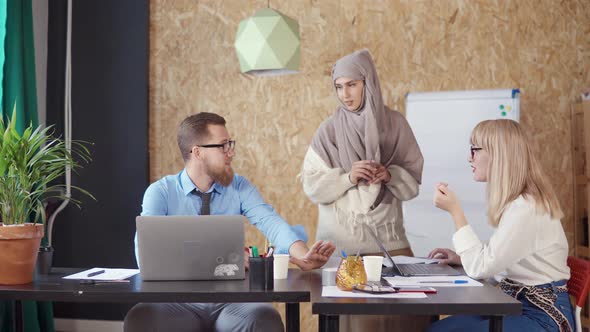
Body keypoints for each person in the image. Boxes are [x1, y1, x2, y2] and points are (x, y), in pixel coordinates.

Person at [124, 112, 335, 332]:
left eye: (230, 144)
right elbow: (146, 254)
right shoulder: (161, 192)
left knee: (263, 318)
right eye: (223, 146)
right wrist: (216, 258)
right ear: (197, 152)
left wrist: (303, 254)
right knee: (140, 318)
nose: (231, 152)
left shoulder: (239, 187)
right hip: (176, 302)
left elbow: (270, 222)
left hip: (234, 302)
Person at [300, 49, 427, 331]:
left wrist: (390, 174)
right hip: (343, 251)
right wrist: (347, 177)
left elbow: (411, 187)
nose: (345, 94)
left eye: (352, 84)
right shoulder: (328, 131)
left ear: (368, 82)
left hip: (391, 248)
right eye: (339, 86)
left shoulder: (395, 126)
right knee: (356, 324)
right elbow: (312, 186)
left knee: (411, 318)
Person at [427, 119, 574, 332]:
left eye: (474, 150)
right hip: (514, 303)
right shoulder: (519, 203)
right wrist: (462, 258)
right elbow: (499, 260)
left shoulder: (526, 208)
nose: (470, 157)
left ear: (498, 155)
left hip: (542, 316)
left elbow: (481, 268)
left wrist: (455, 211)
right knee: (438, 329)